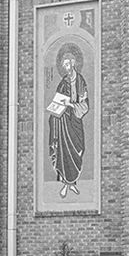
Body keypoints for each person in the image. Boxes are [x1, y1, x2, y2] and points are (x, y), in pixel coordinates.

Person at [48, 52, 89, 198]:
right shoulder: (63, 82)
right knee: (63, 152)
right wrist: (54, 112)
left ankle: (73, 182)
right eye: (64, 65)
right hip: (63, 123)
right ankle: (66, 184)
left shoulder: (80, 81)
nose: (66, 68)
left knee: (77, 149)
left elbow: (85, 105)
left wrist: (71, 104)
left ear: (73, 63)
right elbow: (57, 100)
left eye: (67, 64)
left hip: (75, 122)